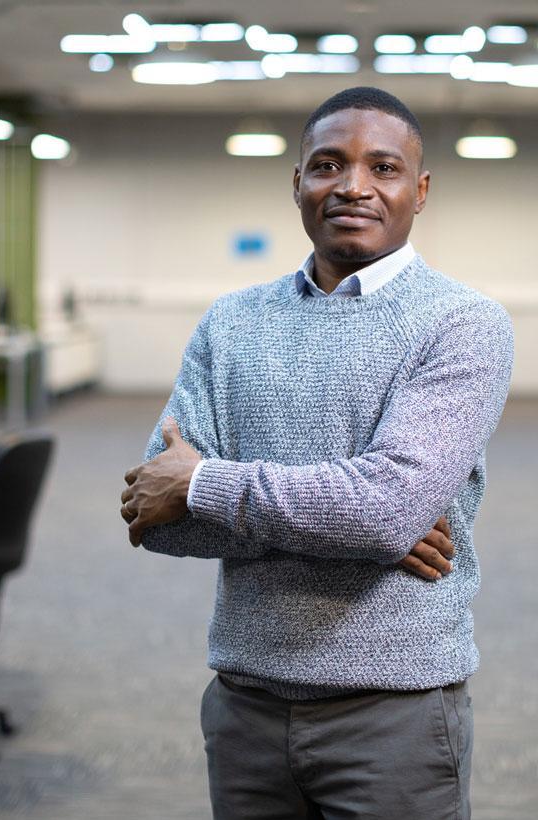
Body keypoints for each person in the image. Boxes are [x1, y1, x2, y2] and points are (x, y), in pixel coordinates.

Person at [120, 87, 513, 819]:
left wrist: (205, 483)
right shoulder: (231, 322)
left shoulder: (463, 324)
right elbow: (158, 518)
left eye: (383, 168)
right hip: (246, 707)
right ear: (297, 182)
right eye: (328, 164)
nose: (353, 185)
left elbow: (384, 516)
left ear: (419, 191)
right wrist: (358, 522)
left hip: (394, 715)